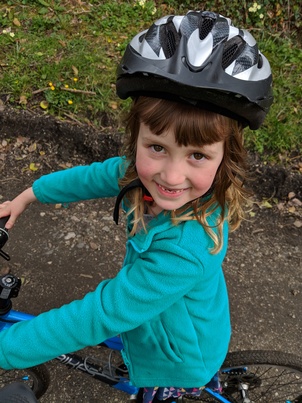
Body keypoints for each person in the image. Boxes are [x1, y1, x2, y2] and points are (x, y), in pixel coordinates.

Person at [0, 10, 272, 403]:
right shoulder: (138, 174)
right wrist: (30, 194)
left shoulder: (185, 250)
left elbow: (101, 314)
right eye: (157, 147)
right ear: (136, 137)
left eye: (197, 155)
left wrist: (7, 350)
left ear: (225, 158)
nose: (171, 176)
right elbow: (96, 176)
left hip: (175, 360)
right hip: (164, 319)